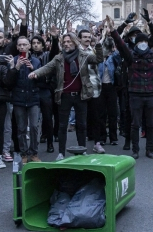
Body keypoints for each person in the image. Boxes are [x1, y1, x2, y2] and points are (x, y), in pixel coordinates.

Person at [29, 27, 105, 160]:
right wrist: (36, 73)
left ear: (75, 42)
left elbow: (99, 59)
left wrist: (98, 44)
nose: (66, 44)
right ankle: (61, 153)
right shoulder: (59, 58)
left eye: (69, 41)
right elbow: (47, 67)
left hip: (81, 95)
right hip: (64, 95)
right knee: (62, 126)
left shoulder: (84, 56)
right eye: (64, 42)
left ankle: (83, 150)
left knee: (82, 125)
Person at [109, 14, 153, 159]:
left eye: (144, 42)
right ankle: (135, 150)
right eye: (139, 42)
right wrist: (113, 31)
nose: (142, 44)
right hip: (136, 94)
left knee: (151, 123)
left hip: (151, 93)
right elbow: (120, 44)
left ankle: (149, 148)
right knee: (135, 124)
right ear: (135, 44)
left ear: (147, 44)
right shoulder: (130, 55)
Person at [5, 36, 42, 164]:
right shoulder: (13, 60)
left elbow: (42, 82)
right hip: (18, 99)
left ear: (29, 46)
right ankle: (24, 153)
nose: (22, 47)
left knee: (33, 127)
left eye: (24, 45)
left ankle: (34, 152)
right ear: (16, 47)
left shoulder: (36, 61)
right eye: (19, 45)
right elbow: (8, 83)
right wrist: (15, 68)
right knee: (21, 128)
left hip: (33, 98)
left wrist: (33, 69)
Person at [31, 26, 60, 153]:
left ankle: (50, 142)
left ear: (43, 45)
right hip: (32, 90)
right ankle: (32, 144)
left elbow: (54, 52)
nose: (36, 45)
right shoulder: (27, 56)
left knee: (48, 118)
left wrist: (54, 38)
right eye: (34, 43)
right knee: (32, 120)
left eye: (38, 43)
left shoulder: (48, 55)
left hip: (45, 90)